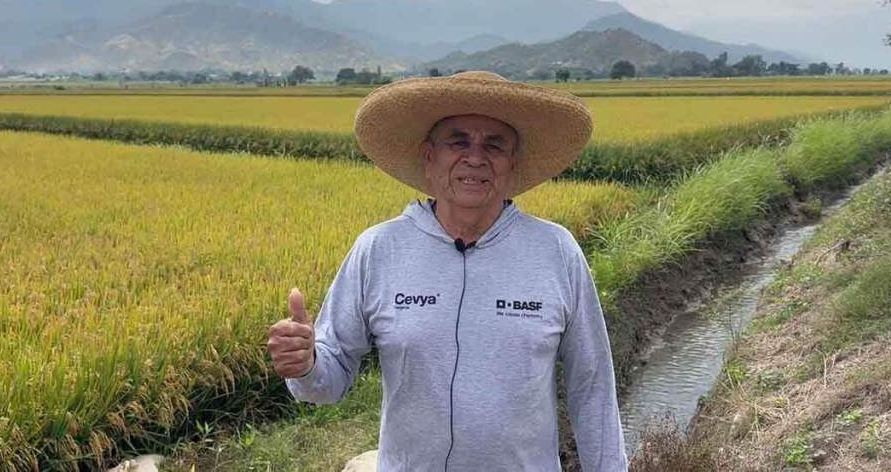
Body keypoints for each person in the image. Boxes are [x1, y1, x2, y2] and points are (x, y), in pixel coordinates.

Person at [267, 71, 628, 471]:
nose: (475, 157)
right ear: (429, 157)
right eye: (458, 141)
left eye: (494, 144)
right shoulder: (380, 249)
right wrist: (305, 364)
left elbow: (592, 386)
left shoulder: (556, 251)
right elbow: (328, 380)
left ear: (513, 163)